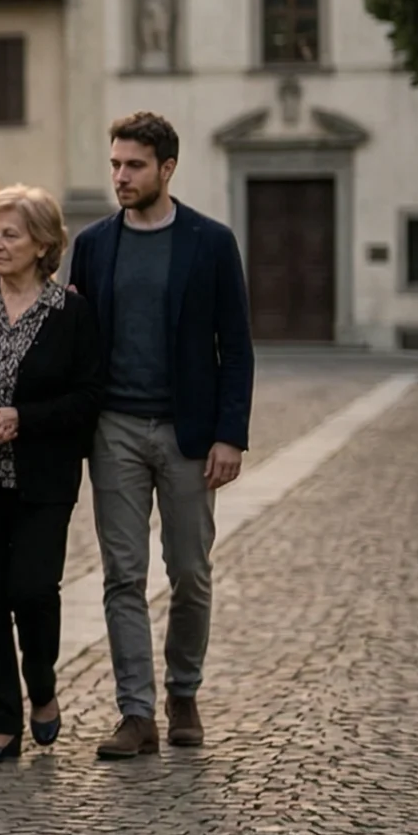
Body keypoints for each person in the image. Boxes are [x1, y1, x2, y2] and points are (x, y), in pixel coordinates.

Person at [66, 112, 253, 760]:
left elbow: (237, 345)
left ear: (167, 168)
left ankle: (183, 691)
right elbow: (76, 338)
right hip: (114, 428)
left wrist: (230, 435)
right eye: (116, 163)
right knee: (123, 573)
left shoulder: (210, 242)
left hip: (188, 434)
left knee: (191, 572)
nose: (121, 175)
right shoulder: (93, 244)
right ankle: (136, 711)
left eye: (134, 165)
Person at [0, 185, 102, 764]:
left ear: (43, 243)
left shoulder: (73, 315)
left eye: (10, 234)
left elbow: (87, 398)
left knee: (32, 590)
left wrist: (21, 418)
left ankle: (44, 688)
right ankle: (2, 721)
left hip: (43, 479)